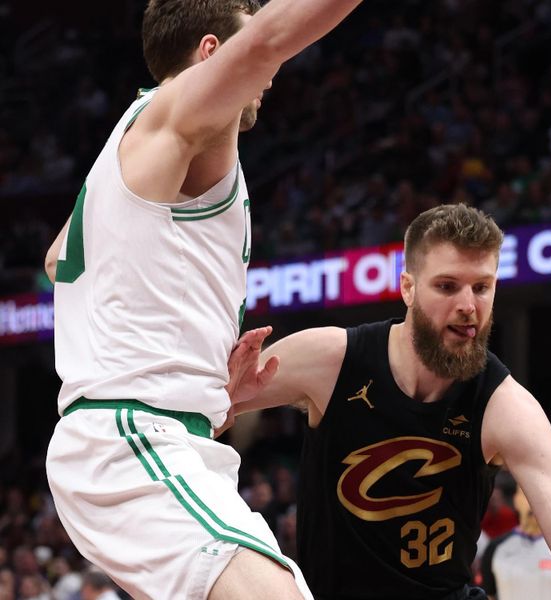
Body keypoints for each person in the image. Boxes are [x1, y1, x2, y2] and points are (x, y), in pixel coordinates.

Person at [42, 1, 362, 598]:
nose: (270, 80)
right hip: (132, 440)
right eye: (250, 62)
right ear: (215, 54)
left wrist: (202, 362)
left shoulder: (135, 146)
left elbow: (58, 256)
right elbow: (268, 42)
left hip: (150, 438)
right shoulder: (182, 118)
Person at [231, 204, 551, 599]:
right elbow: (203, 413)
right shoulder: (330, 359)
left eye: (482, 287)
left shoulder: (505, 406)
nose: (468, 305)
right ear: (408, 288)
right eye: (447, 286)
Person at [480, 479, 551, 600]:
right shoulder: (495, 548)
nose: (533, 501)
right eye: (526, 493)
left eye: (540, 494)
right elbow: (489, 594)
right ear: (516, 500)